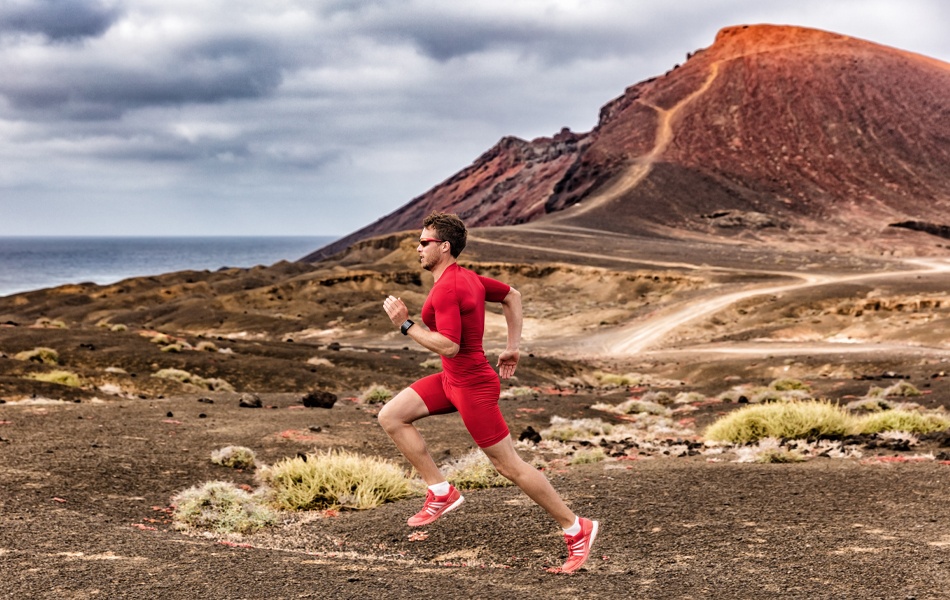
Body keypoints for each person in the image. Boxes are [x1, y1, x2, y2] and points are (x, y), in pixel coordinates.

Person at [379, 212, 599, 574]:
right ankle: (440, 491)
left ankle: (577, 528)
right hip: (453, 380)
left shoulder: (449, 286)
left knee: (508, 466)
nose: (417, 248)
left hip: (472, 386)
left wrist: (405, 325)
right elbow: (512, 295)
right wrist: (513, 346)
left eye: (424, 243)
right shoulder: (465, 278)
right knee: (391, 415)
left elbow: (449, 346)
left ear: (444, 247)